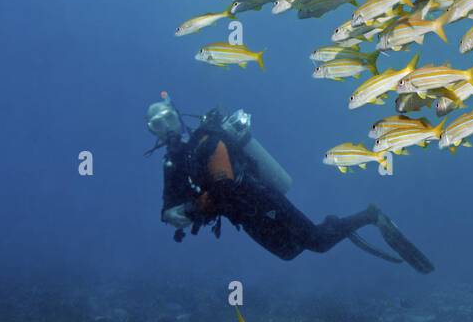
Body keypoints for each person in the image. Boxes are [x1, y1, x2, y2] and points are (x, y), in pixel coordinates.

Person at [146, 96, 433, 273]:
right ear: (152, 131)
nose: (167, 127)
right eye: (158, 124)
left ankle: (370, 216)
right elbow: (168, 204)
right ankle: (337, 224)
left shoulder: (207, 140)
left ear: (179, 116)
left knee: (318, 243)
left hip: (261, 201)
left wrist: (198, 208)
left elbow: (225, 188)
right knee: (288, 253)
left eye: (169, 117)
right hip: (243, 216)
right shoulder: (173, 163)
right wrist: (171, 214)